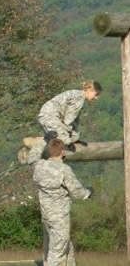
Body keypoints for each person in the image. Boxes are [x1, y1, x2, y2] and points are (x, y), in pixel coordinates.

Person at [33, 138, 92, 266]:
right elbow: (77, 192)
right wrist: (88, 193)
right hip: (60, 218)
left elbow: (32, 157)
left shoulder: (39, 166)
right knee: (57, 254)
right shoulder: (64, 170)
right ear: (62, 152)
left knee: (64, 248)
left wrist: (44, 140)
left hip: (46, 217)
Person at [28, 81, 102, 164]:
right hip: (50, 115)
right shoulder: (78, 99)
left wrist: (75, 138)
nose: (96, 98)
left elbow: (73, 122)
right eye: (96, 95)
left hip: (51, 115)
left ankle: (40, 151)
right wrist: (69, 141)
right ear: (89, 91)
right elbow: (68, 121)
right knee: (61, 139)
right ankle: (33, 155)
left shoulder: (78, 96)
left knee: (65, 137)